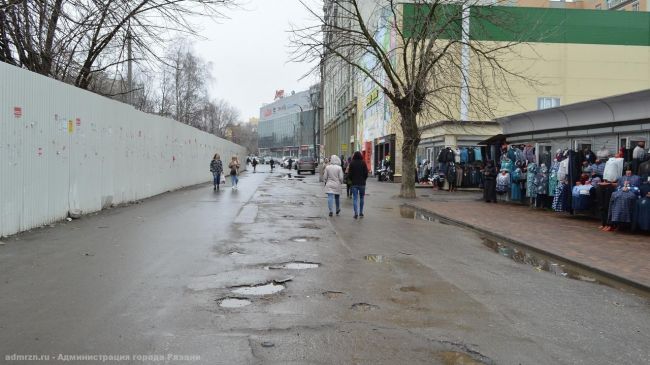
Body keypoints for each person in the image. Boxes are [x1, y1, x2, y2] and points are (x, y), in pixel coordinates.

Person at [348, 151, 369, 219]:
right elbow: (366, 173)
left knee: (355, 198)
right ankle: (361, 212)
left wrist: (352, 180)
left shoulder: (352, 163)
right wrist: (364, 179)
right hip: (362, 183)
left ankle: (356, 213)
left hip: (354, 183)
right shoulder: (363, 163)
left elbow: (349, 174)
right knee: (362, 198)